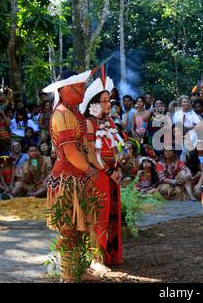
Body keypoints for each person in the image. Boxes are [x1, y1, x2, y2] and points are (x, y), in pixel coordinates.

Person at [43, 69, 102, 281]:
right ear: (68, 88)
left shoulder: (73, 112)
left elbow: (84, 146)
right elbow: (70, 151)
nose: (85, 91)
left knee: (80, 228)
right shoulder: (62, 113)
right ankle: (67, 275)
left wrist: (92, 167)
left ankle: (76, 269)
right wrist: (89, 170)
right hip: (68, 180)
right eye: (81, 87)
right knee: (69, 230)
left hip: (77, 179)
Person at [80, 76, 123, 270]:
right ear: (94, 103)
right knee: (98, 215)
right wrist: (110, 171)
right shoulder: (89, 123)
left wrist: (118, 166)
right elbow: (90, 155)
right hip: (99, 176)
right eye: (104, 100)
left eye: (109, 100)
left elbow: (114, 148)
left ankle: (108, 256)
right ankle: (95, 259)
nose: (108, 103)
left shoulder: (110, 122)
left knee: (112, 215)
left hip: (112, 174)